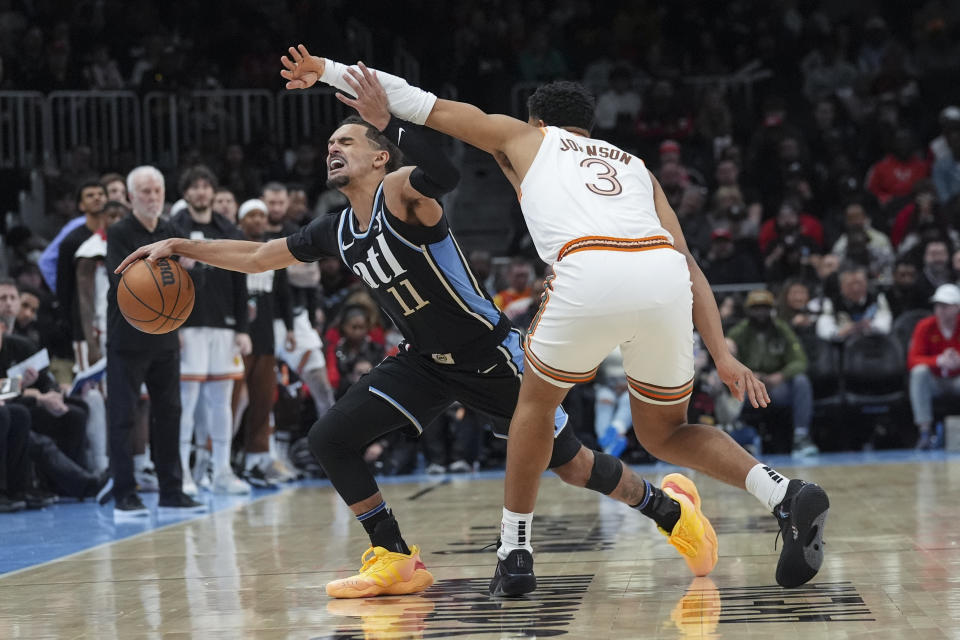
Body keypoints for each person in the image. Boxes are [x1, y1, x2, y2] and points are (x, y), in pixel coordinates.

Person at [117, 72, 722, 601]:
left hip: (489, 356)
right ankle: (394, 558)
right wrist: (178, 245)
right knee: (330, 438)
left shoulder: (405, 192)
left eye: (346, 141)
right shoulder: (336, 230)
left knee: (570, 465)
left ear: (379, 156)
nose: (332, 148)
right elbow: (255, 255)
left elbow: (447, 171)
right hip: (424, 361)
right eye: (329, 143)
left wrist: (392, 124)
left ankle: (669, 510)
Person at [280, 48, 830, 594]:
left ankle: (515, 550)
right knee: (667, 432)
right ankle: (782, 493)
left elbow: (420, 103)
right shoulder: (636, 168)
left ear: (535, 120)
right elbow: (687, 262)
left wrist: (327, 71)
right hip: (663, 277)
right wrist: (722, 352)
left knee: (534, 409)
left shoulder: (525, 139)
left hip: (590, 268)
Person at [105, 166, 205, 516]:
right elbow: (122, 282)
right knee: (122, 417)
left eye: (157, 191)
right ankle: (124, 494)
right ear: (131, 197)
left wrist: (194, 267)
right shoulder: (118, 232)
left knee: (170, 415)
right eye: (145, 192)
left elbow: (192, 284)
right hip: (126, 340)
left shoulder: (171, 231)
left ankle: (171, 490)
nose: (152, 197)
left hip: (164, 339)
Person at [172, 166, 252, 496]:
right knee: (186, 405)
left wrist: (243, 329)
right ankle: (183, 474)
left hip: (223, 326)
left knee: (222, 404)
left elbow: (241, 281)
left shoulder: (229, 229)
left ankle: (221, 470)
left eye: (206, 186)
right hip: (187, 327)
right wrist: (170, 326)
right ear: (186, 193)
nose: (202, 192)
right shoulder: (174, 230)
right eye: (195, 186)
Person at [727, 289, 818, 457]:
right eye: (756, 308)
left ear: (771, 309)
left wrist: (781, 375)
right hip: (748, 387)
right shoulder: (739, 332)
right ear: (749, 310)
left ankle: (801, 437)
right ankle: (731, 435)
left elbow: (800, 361)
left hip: (775, 387)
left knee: (801, 381)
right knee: (725, 383)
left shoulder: (782, 329)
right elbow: (725, 360)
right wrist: (746, 373)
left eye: (764, 308)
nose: (760, 312)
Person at [907, 283, 960, 449]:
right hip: (935, 380)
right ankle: (924, 432)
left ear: (956, 307)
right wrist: (938, 361)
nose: (940, 309)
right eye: (938, 305)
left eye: (945, 306)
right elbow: (912, 360)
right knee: (918, 372)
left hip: (958, 379)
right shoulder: (924, 326)